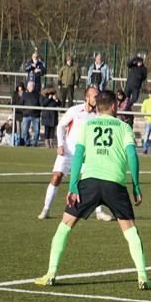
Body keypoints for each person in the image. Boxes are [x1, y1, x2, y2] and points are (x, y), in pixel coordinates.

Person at [34, 90, 151, 290]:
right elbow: (132, 157)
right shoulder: (124, 127)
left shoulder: (86, 125)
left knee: (64, 226)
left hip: (89, 183)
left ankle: (51, 273)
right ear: (113, 107)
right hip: (115, 185)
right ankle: (143, 277)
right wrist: (135, 186)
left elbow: (77, 156)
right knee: (130, 231)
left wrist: (74, 185)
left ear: (98, 107)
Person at [38, 86, 113, 222]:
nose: (97, 99)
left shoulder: (98, 114)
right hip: (67, 151)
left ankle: (99, 211)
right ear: (87, 98)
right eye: (95, 96)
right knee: (56, 177)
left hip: (85, 155)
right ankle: (46, 209)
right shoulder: (75, 110)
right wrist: (60, 144)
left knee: (95, 181)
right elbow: (60, 126)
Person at [20, 80, 42, 147]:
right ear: (27, 87)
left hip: (35, 116)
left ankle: (34, 142)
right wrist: (23, 111)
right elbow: (21, 104)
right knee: (24, 130)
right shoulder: (24, 95)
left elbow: (41, 104)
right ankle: (27, 142)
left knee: (37, 130)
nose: (31, 87)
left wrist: (38, 112)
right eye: (30, 86)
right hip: (26, 115)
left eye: (32, 86)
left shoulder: (38, 95)